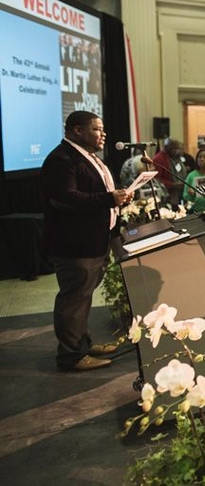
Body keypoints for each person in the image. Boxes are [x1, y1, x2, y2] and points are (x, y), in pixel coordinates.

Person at [42, 111, 133, 371]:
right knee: (74, 300)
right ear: (77, 130)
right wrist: (109, 199)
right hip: (75, 245)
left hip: (95, 239)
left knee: (82, 298)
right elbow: (65, 198)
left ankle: (82, 344)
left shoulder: (88, 157)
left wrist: (116, 200)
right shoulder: (61, 160)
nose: (102, 134)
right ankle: (71, 356)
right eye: (96, 129)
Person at [152, 138, 188, 206]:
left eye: (180, 148)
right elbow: (156, 180)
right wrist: (173, 185)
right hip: (168, 196)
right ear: (167, 148)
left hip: (181, 193)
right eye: (175, 148)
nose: (178, 151)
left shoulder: (178, 158)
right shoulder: (159, 159)